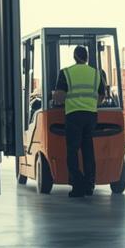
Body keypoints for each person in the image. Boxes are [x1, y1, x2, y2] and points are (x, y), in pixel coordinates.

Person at [52, 45, 107, 198]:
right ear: (87, 57)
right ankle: (89, 185)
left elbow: (60, 96)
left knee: (72, 151)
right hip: (90, 116)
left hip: (73, 115)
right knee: (88, 150)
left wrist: (56, 98)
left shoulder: (66, 73)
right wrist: (91, 104)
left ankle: (78, 186)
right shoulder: (96, 74)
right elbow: (102, 96)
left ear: (75, 56)